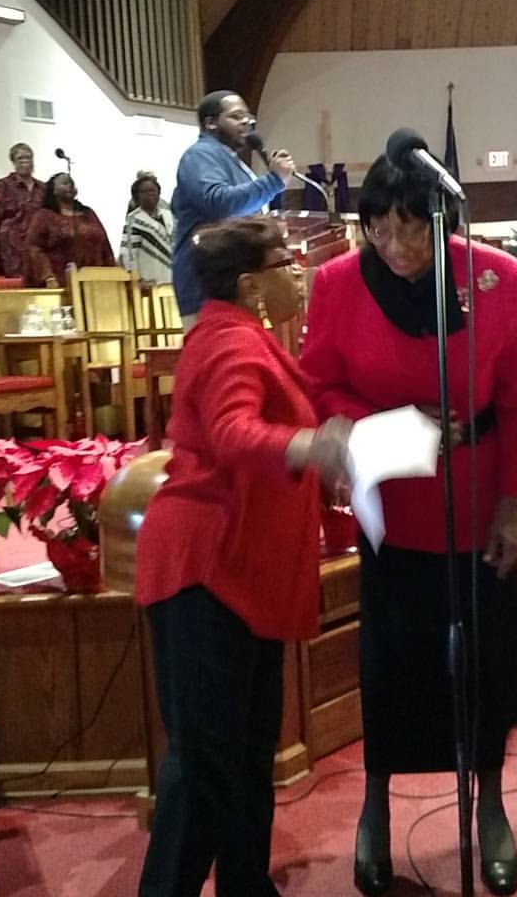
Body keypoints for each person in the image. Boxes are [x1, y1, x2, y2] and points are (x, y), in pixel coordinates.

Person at [299, 157, 517, 897]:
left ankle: (491, 806)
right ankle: (374, 808)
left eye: (411, 227)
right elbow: (319, 382)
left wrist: (514, 501)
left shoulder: (499, 278)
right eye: (380, 227)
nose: (396, 245)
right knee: (393, 663)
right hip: (395, 494)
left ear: (442, 222)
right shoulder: (339, 282)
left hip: (477, 498)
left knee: (488, 662)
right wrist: (380, 422)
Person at [134, 217, 351, 897]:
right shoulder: (228, 340)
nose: (299, 274)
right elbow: (232, 433)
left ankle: (246, 885)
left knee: (248, 753)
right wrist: (306, 448)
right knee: (205, 766)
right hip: (209, 571)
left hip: (240, 570)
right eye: (287, 262)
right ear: (252, 283)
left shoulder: (245, 335)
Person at [171, 90, 296, 330]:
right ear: (210, 123)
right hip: (208, 286)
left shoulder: (230, 160)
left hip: (236, 282)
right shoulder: (200, 155)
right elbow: (219, 204)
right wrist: (273, 182)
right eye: (236, 117)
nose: (247, 122)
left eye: (248, 117)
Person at [25, 172, 115, 287]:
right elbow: (34, 248)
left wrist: (111, 272)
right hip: (60, 281)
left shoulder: (88, 213)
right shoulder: (44, 215)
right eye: (64, 183)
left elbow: (104, 244)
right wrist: (47, 276)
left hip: (95, 281)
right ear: (53, 190)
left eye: (72, 183)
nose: (70, 186)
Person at [0, 142, 44, 278]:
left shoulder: (43, 188)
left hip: (38, 249)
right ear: (13, 162)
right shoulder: (1, 186)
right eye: (20, 158)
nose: (25, 162)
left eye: (28, 157)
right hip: (10, 252)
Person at [120, 171, 173, 285]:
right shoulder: (133, 219)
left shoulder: (168, 214)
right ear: (136, 196)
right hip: (149, 281)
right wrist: (136, 278)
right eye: (144, 192)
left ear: (159, 193)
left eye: (152, 191)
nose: (149, 194)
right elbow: (128, 253)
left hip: (173, 278)